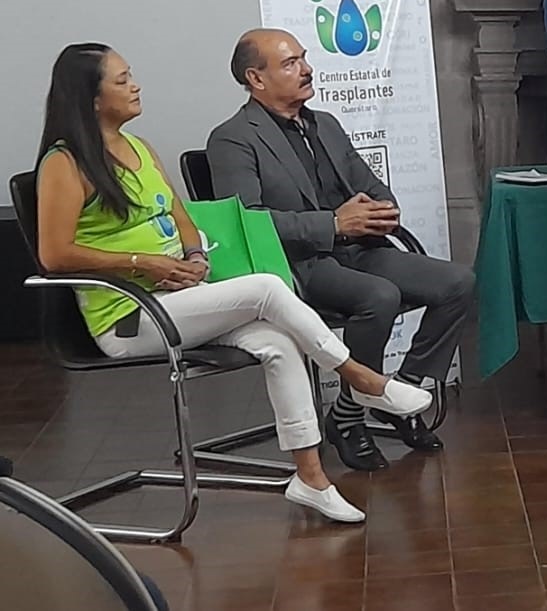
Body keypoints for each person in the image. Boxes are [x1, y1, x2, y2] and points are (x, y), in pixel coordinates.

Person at [34, 44, 432, 524]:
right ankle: (362, 378)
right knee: (266, 288)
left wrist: (194, 256)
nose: (135, 86)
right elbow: (54, 254)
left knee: (278, 343)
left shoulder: (139, 148)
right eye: (122, 80)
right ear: (91, 97)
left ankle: (310, 479)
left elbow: (181, 218)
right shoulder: (65, 163)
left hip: (178, 298)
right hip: (129, 315)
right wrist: (145, 264)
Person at [207, 29, 475, 471]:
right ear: (256, 78)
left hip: (359, 250)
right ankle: (350, 419)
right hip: (299, 263)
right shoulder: (232, 139)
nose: (307, 69)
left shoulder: (325, 124)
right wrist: (332, 223)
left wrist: (382, 209)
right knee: (379, 296)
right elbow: (249, 223)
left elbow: (369, 184)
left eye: (303, 58)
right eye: (291, 63)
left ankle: (395, 394)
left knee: (457, 282)